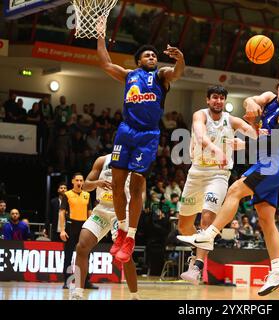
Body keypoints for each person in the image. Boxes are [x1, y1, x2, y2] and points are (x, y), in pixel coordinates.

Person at [178, 71, 279, 296]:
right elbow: (249, 102)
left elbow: (275, 141)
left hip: (272, 162)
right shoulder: (270, 97)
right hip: (266, 163)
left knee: (234, 190)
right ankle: (277, 269)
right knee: (266, 220)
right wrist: (251, 102)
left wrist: (243, 145)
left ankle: (210, 233)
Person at [97, 19, 185, 263]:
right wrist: (101, 36)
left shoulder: (161, 76)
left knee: (136, 185)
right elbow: (104, 63)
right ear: (138, 60)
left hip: (148, 135)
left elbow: (177, 72)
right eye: (147, 55)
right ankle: (121, 232)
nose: (152, 57)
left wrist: (180, 59)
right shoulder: (129, 76)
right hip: (125, 131)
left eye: (154, 55)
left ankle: (132, 237)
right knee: (116, 185)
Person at [177, 85, 258, 285]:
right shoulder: (200, 115)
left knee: (207, 218)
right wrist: (217, 150)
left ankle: (197, 266)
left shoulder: (231, 120)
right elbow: (200, 136)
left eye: (221, 98)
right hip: (196, 174)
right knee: (184, 226)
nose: (218, 101)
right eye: (214, 97)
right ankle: (197, 251)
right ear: (208, 100)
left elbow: (257, 135)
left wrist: (250, 129)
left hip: (219, 175)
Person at [70, 154, 141, 300]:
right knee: (81, 246)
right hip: (102, 209)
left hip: (122, 211)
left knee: (125, 255)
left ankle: (134, 295)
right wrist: (97, 183)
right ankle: (78, 292)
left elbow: (139, 192)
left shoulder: (135, 161)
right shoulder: (102, 160)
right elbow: (86, 185)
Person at [58, 173, 97, 290]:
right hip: (70, 227)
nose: (79, 182)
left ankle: (85, 282)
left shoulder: (87, 195)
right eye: (77, 180)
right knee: (68, 256)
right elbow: (61, 213)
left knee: (86, 255)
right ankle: (67, 281)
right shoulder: (67, 195)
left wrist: (93, 228)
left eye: (81, 180)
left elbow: (90, 213)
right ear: (73, 181)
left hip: (84, 227)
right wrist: (62, 230)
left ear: (84, 182)